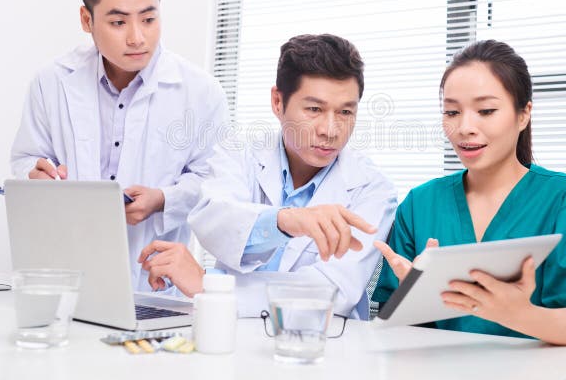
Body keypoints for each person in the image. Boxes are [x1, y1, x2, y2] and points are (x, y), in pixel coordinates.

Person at [373, 39, 566, 345]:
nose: (465, 127)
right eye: (452, 112)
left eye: (486, 110)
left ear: (523, 114)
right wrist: (413, 301)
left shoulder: (563, 198)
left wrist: (515, 312)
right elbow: (393, 327)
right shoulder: (420, 204)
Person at [10, 0, 228, 291]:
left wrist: (163, 199)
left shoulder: (201, 92)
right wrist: (36, 175)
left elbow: (217, 183)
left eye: (149, 18)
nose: (137, 37)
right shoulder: (51, 82)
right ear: (87, 20)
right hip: (65, 273)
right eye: (118, 22)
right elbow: (26, 160)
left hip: (153, 283)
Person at [138, 34, 397, 318]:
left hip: (320, 349)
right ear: (277, 101)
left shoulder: (372, 190)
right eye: (314, 109)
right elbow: (214, 218)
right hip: (232, 338)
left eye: (346, 112)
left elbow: (331, 292)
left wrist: (209, 286)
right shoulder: (240, 153)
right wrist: (284, 221)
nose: (331, 130)